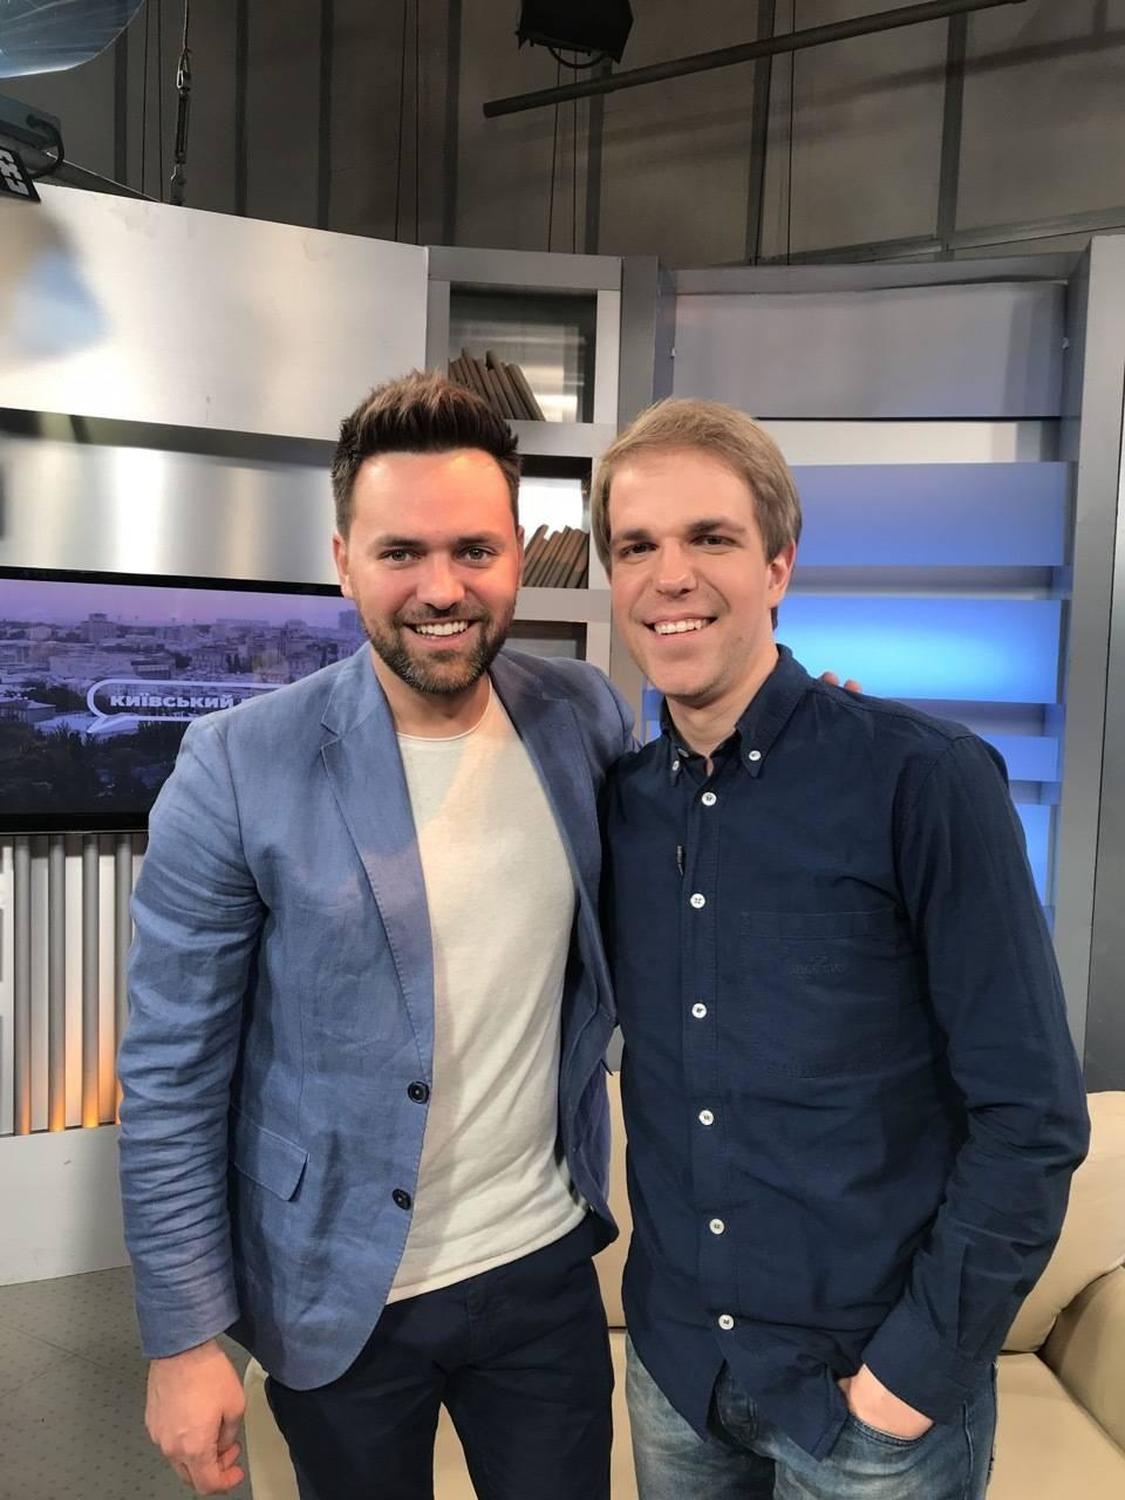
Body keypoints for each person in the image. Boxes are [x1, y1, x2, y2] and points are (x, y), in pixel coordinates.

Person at [116, 372, 633, 1499]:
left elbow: (697, 846)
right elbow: (171, 1076)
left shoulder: (584, 716)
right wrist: (183, 1337)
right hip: (333, 1287)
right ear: (344, 558)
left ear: (518, 555)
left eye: (475, 550)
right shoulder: (238, 763)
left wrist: (804, 746)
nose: (442, 589)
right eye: (402, 552)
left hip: (540, 1266)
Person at [594, 398, 1090, 1500]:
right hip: (680, 1372)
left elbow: (1033, 1115)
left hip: (872, 1396)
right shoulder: (617, 807)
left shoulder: (923, 780)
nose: (670, 576)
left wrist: (916, 1371)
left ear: (778, 564)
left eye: (710, 538)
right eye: (636, 546)